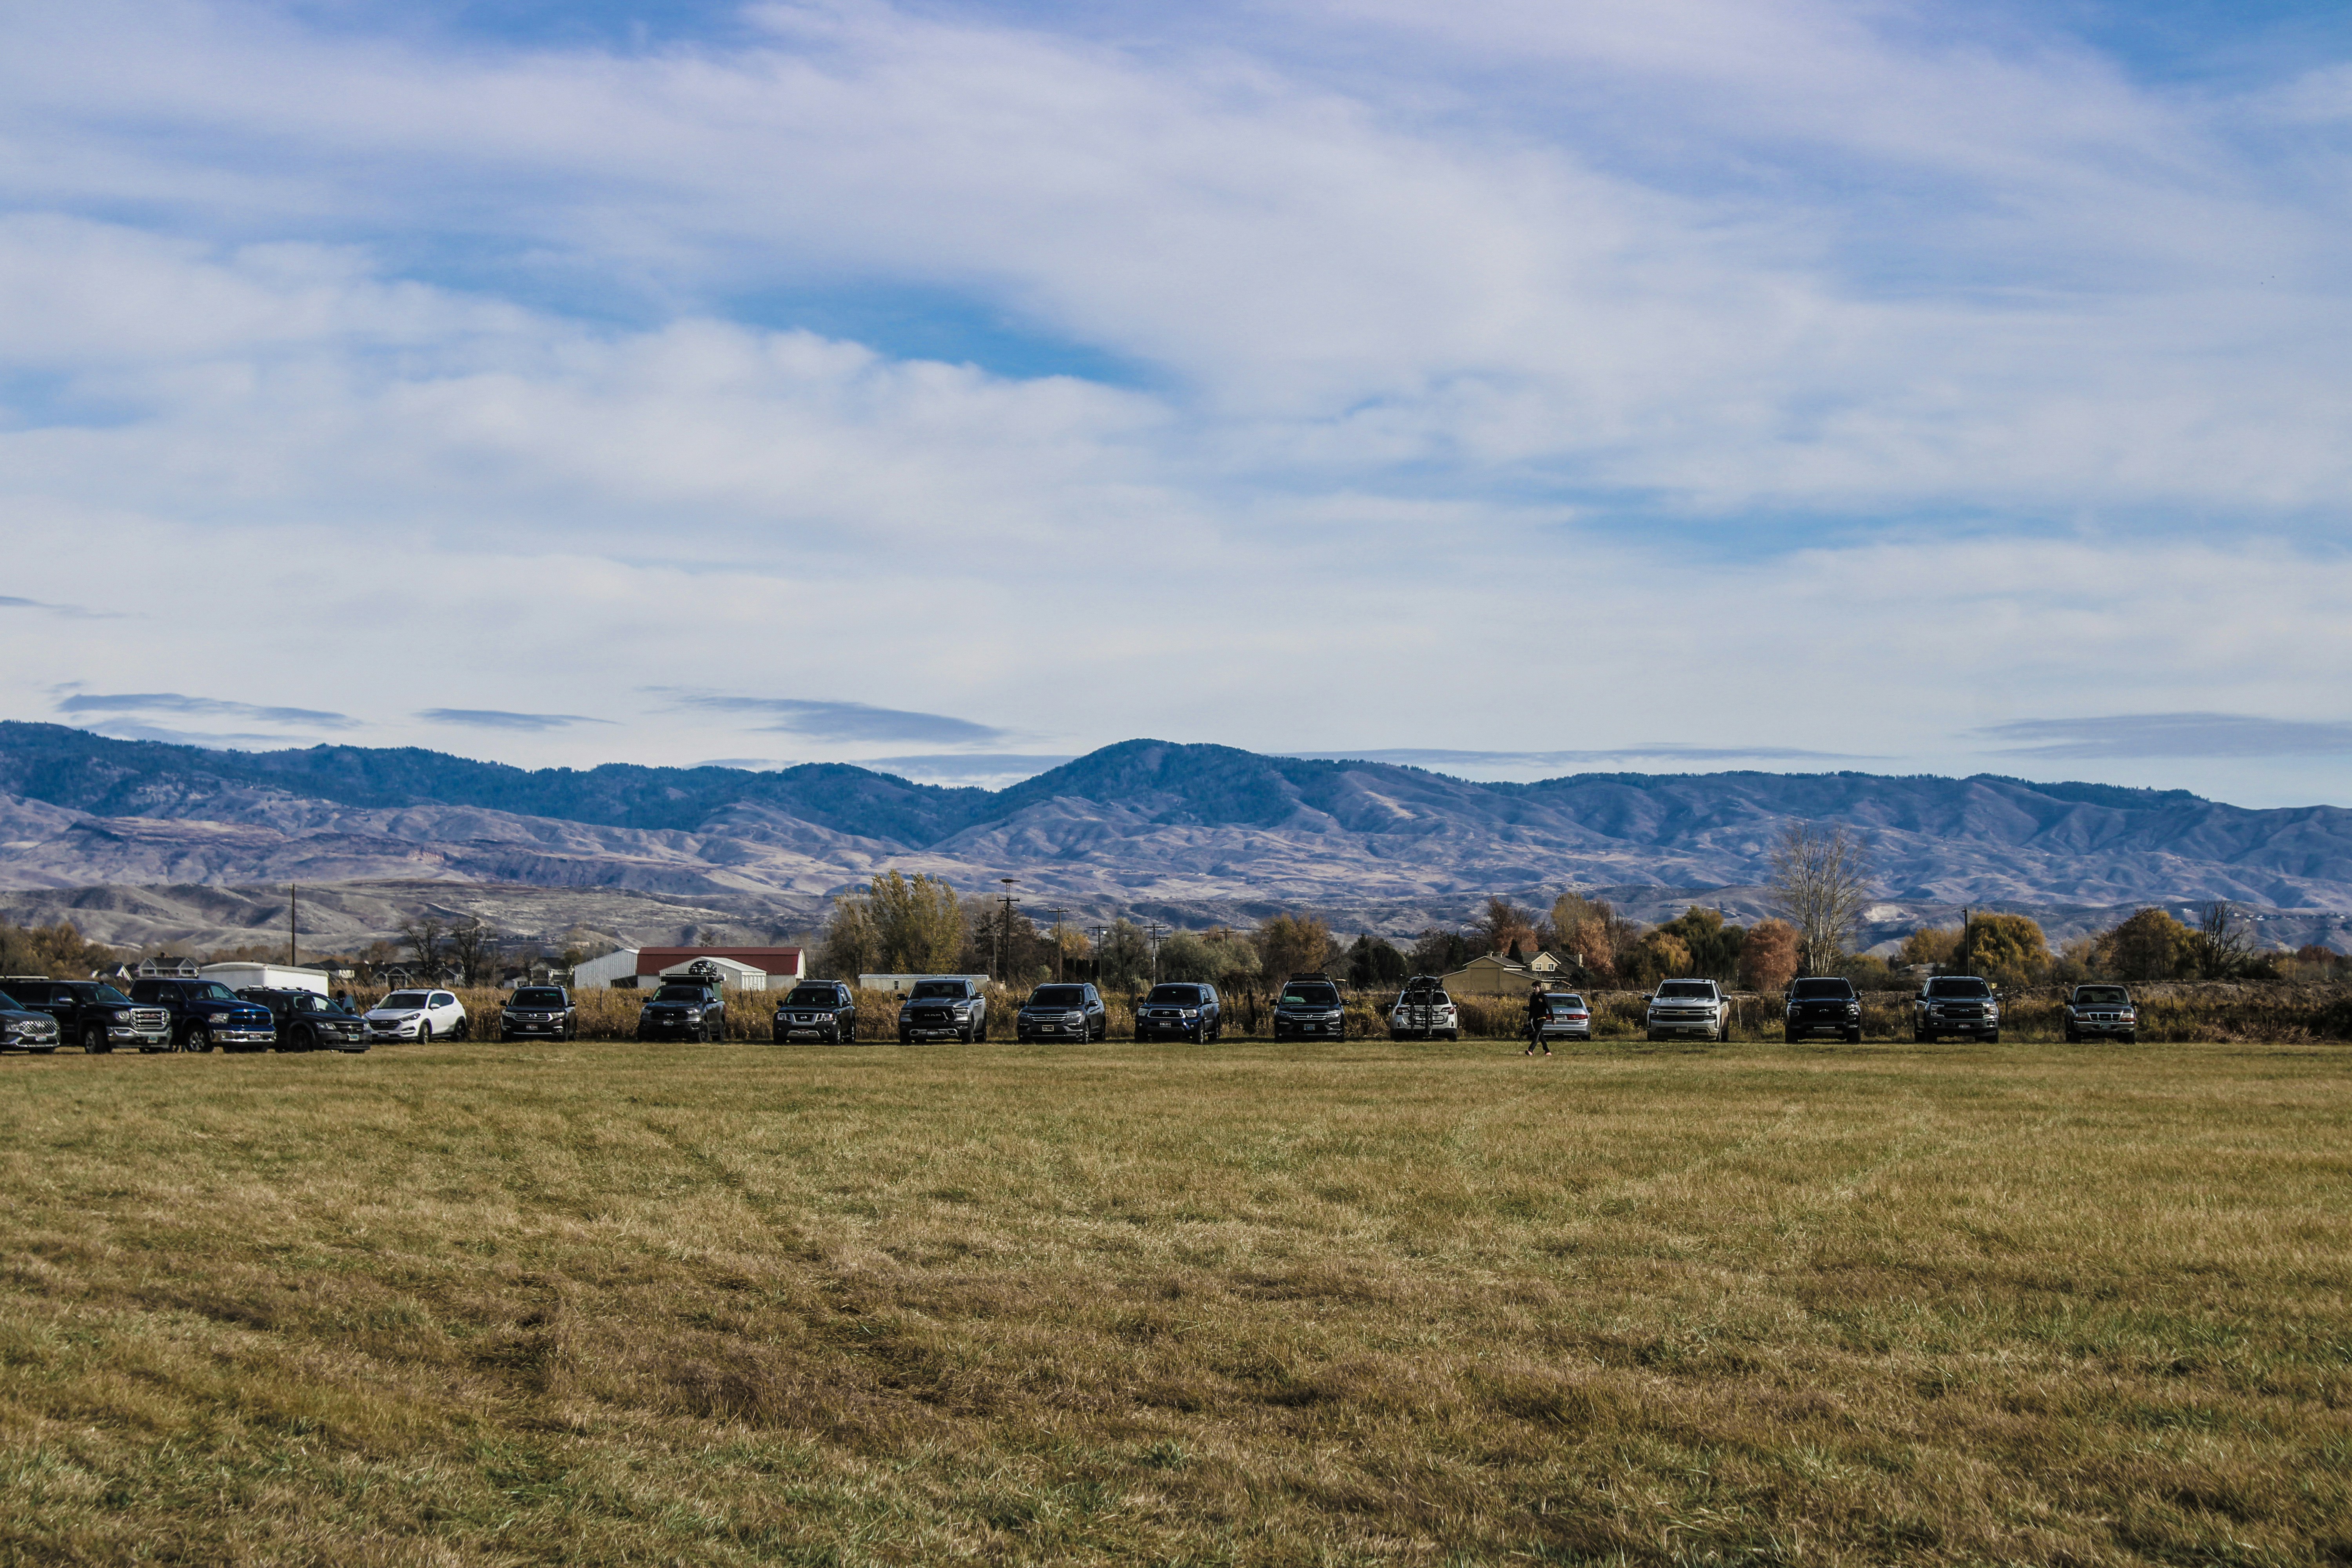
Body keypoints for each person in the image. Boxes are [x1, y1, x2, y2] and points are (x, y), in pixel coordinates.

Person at [1524, 983, 1552, 1056]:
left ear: (1540, 987)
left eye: (1535, 987)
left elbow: (1549, 1007)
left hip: (1542, 1018)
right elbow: (1531, 1009)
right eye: (1533, 987)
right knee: (1540, 1035)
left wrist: (1553, 1019)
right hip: (1535, 1018)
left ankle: (1530, 1050)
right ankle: (1547, 1051)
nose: (1534, 989)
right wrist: (1529, 1020)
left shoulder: (1543, 996)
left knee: (1537, 1034)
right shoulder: (1533, 997)